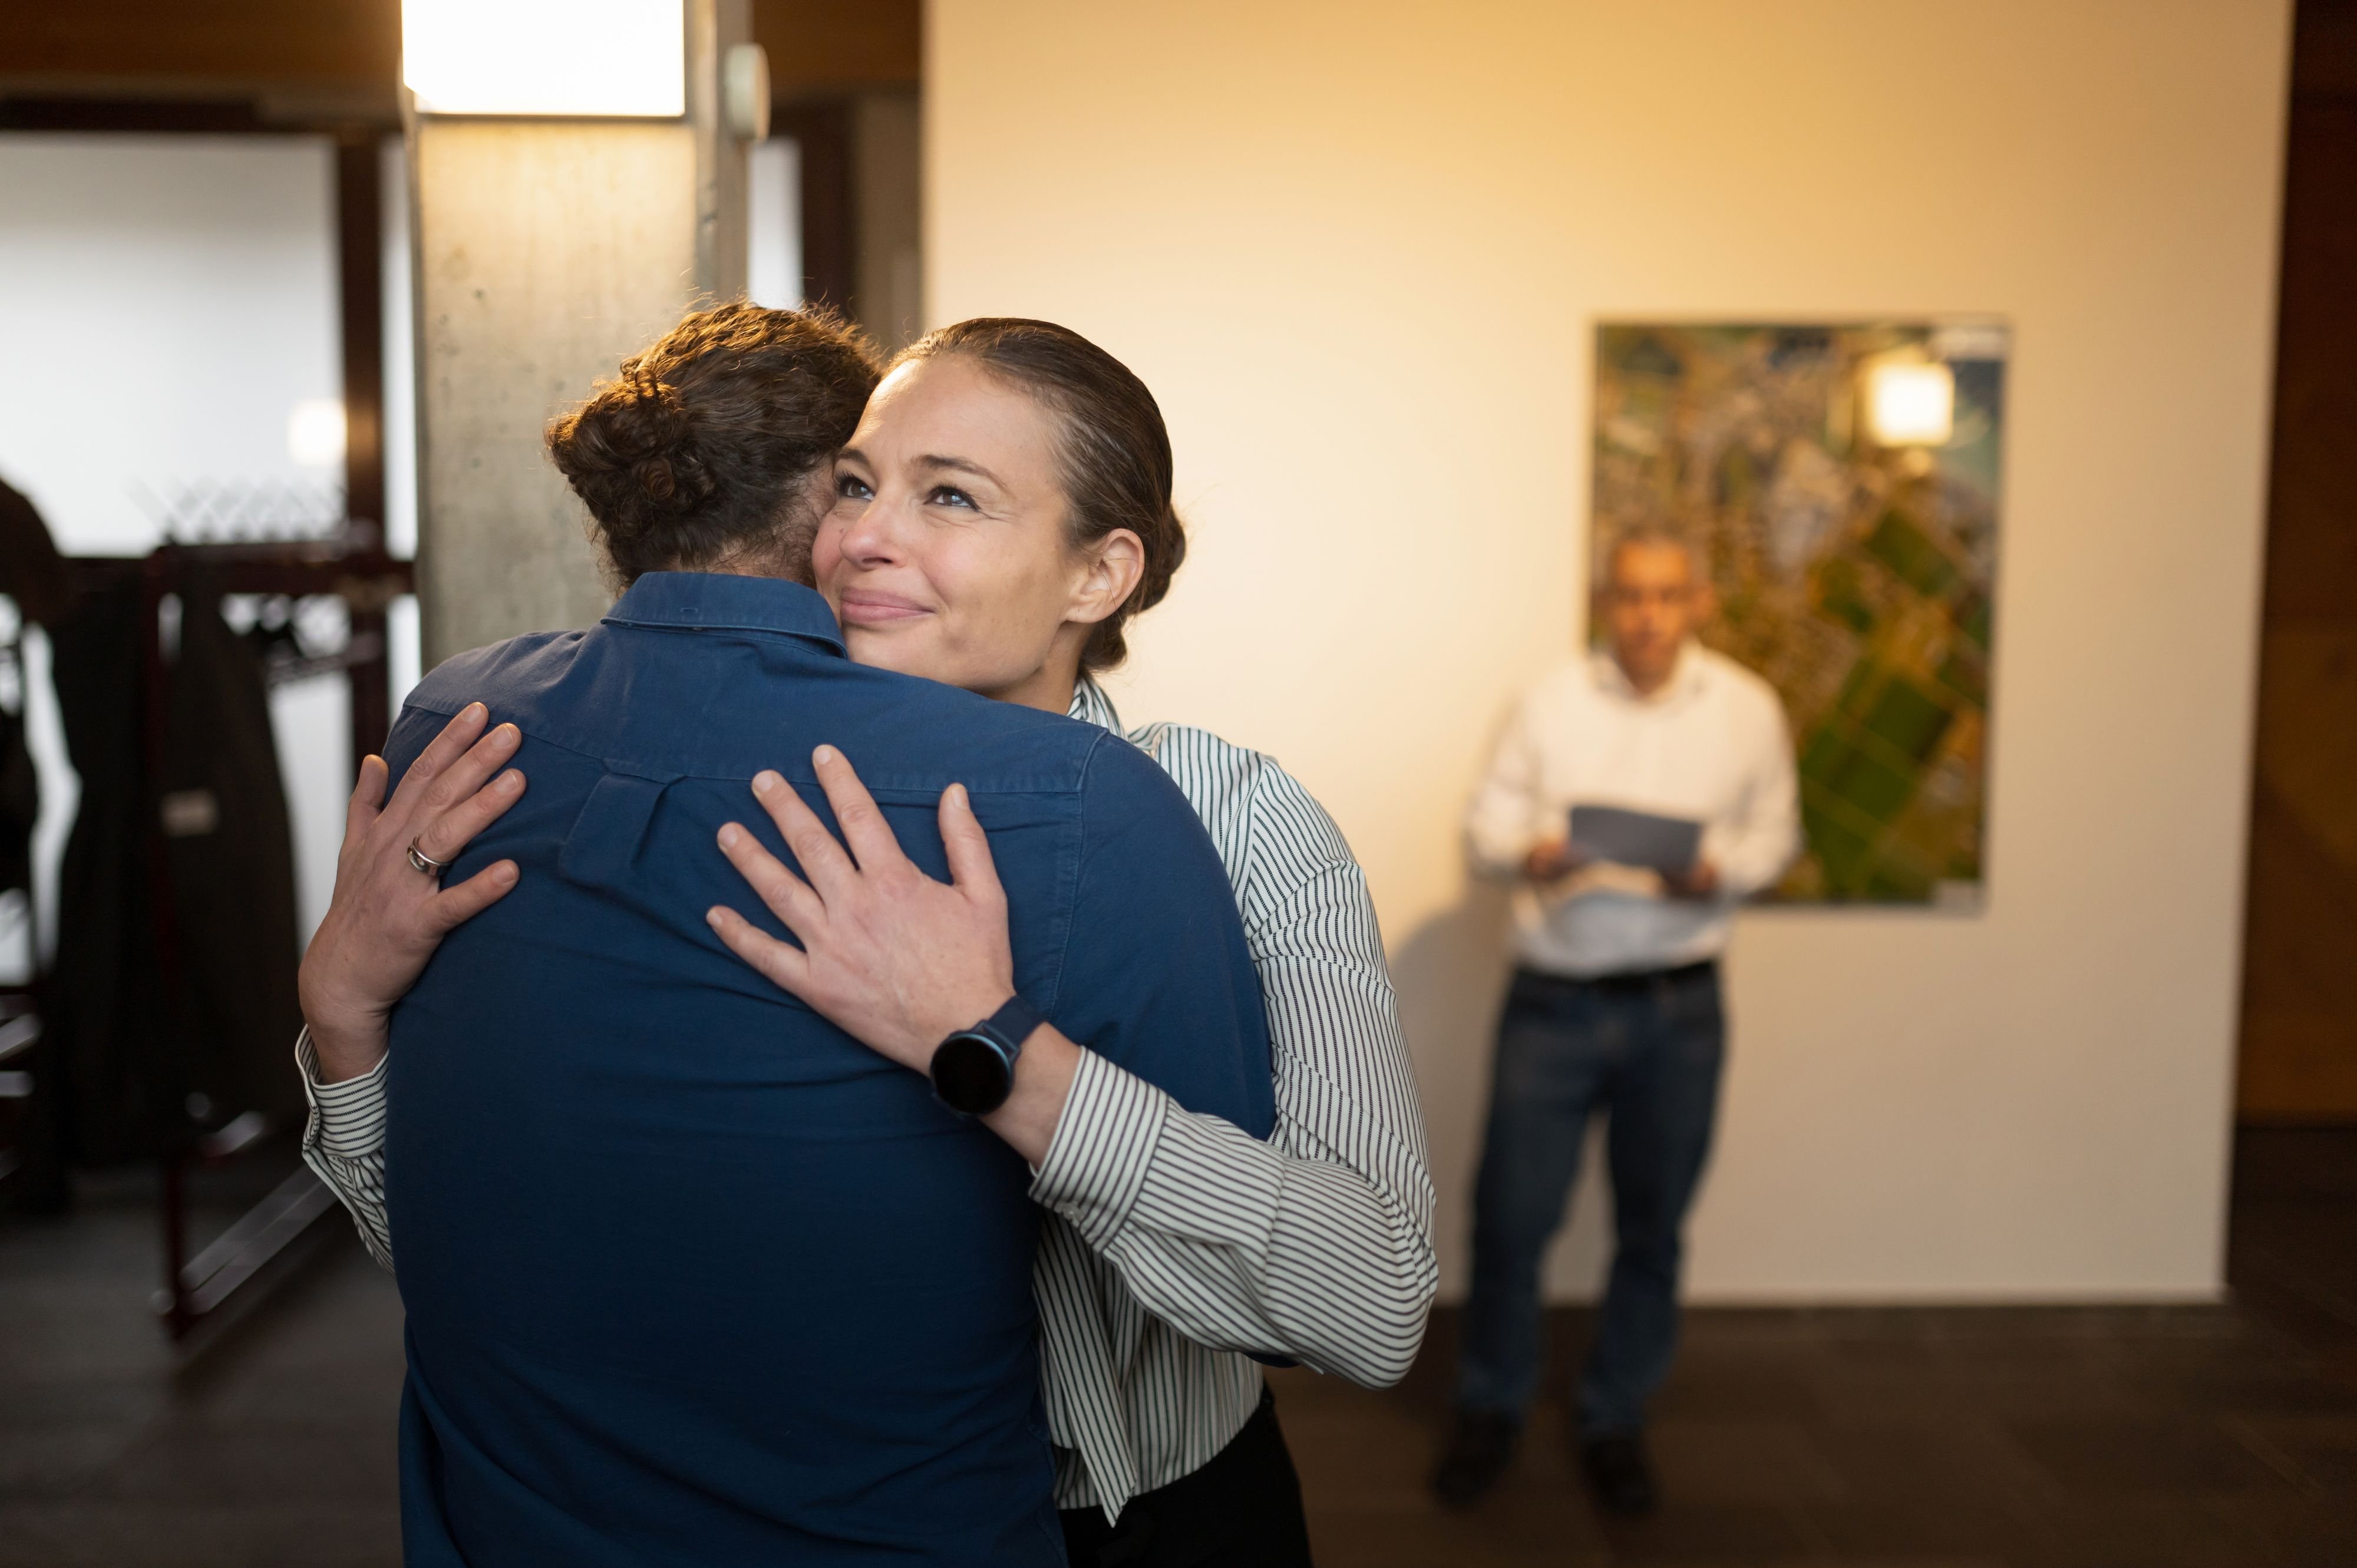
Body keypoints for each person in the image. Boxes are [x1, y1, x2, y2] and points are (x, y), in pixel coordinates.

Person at [300, 313, 1438, 1565]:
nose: (859, 539)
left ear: (1096, 575)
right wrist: (346, 1019)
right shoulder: (739, 817)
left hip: (1144, 1518)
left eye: (949, 496)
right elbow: (486, 1268)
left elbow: (1374, 1298)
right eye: (855, 482)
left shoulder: (1234, 818)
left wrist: (991, 1045)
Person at [1432, 523, 1798, 1518]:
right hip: (1553, 1000)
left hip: (1681, 1004)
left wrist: (1718, 869)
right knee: (1510, 1220)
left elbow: (1776, 831)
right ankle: (1491, 1407)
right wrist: (1537, 851)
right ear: (1606, 602)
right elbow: (1485, 826)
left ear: (1700, 602)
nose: (1648, 615)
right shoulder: (1549, 702)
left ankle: (1613, 1415)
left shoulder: (1747, 709)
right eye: (1630, 595)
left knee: (1654, 1225)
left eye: (1668, 595)